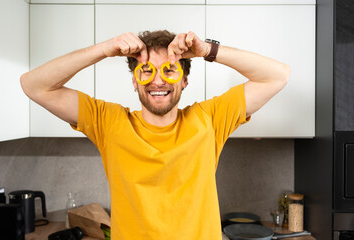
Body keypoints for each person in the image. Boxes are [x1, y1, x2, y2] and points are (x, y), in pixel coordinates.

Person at [20, 30, 290, 240]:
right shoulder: (108, 122)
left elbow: (277, 76)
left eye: (169, 70)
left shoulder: (209, 119)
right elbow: (33, 86)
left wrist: (207, 49)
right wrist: (104, 49)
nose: (158, 80)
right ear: (135, 80)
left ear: (184, 80)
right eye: (147, 70)